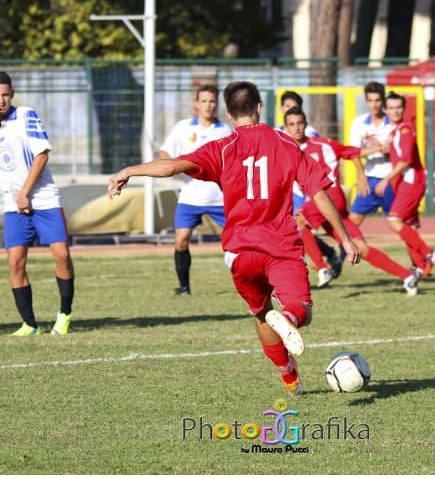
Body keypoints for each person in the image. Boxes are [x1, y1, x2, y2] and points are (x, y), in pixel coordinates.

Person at [108, 81, 362, 396]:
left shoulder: (223, 147)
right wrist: (346, 239)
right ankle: (288, 318)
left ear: (229, 114)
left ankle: (288, 375)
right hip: (280, 245)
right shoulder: (286, 144)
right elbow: (319, 193)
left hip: (241, 252)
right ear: (259, 107)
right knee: (300, 309)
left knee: (260, 312)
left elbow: (172, 165)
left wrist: (129, 171)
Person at [0, 71, 75, 335]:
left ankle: (65, 314)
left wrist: (26, 193)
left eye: (5, 95)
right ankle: (29, 324)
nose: (1, 100)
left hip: (44, 198)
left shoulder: (26, 115)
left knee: (62, 255)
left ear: (12, 94)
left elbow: (42, 155)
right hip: (14, 205)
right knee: (15, 263)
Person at [283, 107, 420, 295]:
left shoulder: (324, 144)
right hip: (323, 205)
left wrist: (374, 156)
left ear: (306, 124)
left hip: (330, 195)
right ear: (286, 128)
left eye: (300, 123)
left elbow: (353, 152)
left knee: (298, 220)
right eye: (292, 125)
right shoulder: (286, 152)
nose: (297, 128)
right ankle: (407, 276)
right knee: (360, 248)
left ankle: (323, 268)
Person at [159, 84, 233, 296]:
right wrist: (168, 168)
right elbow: (165, 151)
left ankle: (249, 282)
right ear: (196, 104)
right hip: (190, 197)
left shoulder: (224, 130)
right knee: (181, 239)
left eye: (212, 102)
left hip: (219, 197)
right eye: (204, 101)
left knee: (236, 241)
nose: (208, 106)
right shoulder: (184, 127)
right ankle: (184, 287)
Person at [375, 92, 435, 281]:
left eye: (399, 107)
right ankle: (421, 266)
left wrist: (386, 179)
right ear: (386, 110)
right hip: (407, 182)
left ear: (403, 109)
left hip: (412, 181)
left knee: (394, 221)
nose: (395, 111)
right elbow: (397, 156)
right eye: (392, 108)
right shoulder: (395, 131)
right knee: (408, 226)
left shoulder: (404, 130)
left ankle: (429, 253)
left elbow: (405, 161)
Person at [277, 90, 342, 275]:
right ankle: (329, 254)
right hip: (286, 189)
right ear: (282, 109)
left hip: (302, 190)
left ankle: (319, 266)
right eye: (288, 106)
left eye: (294, 107)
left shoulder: (310, 133)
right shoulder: (276, 133)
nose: (291, 110)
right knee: (293, 230)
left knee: (298, 226)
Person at [348, 81, 395, 226]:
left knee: (398, 222)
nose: (374, 105)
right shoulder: (359, 123)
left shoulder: (393, 123)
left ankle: (421, 249)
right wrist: (361, 176)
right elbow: (353, 152)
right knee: (352, 222)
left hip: (390, 178)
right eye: (370, 101)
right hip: (369, 179)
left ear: (383, 100)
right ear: (366, 101)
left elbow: (399, 156)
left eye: (377, 100)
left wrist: (385, 150)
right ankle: (344, 250)